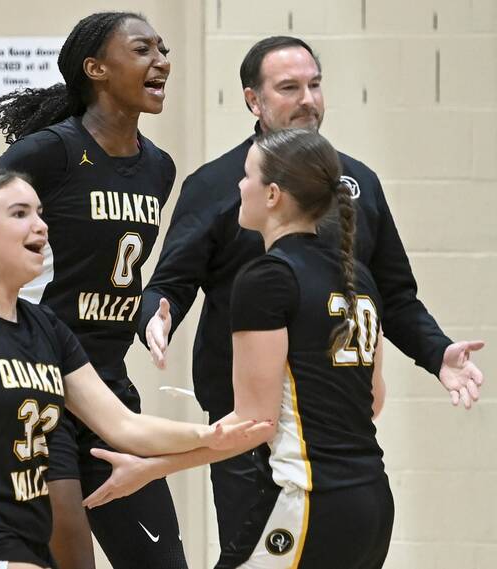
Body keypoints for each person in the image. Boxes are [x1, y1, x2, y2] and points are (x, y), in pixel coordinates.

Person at [138, 35, 485, 548]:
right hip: (245, 422)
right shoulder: (220, 184)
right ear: (253, 100)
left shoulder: (357, 182)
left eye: (315, 85)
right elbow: (169, 283)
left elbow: (396, 295)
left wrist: (438, 353)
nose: (307, 99)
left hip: (329, 431)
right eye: (289, 87)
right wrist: (156, 315)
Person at [83, 129, 484, 568]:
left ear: (272, 194)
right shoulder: (358, 277)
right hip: (371, 501)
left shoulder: (266, 279)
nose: (238, 186)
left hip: (307, 499)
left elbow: (252, 424)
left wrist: (151, 466)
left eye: (247, 175)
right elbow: (373, 400)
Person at [0, 168, 267, 569]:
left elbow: (123, 426)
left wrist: (208, 435)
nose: (41, 226)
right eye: (20, 213)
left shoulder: (46, 327)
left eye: (41, 213)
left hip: (25, 540)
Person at [0, 12, 184, 568]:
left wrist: (146, 309)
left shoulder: (159, 168)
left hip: (109, 389)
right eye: (142, 49)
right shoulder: (48, 153)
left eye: (163, 48)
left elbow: (116, 265)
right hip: (37, 387)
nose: (161, 60)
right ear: (96, 68)